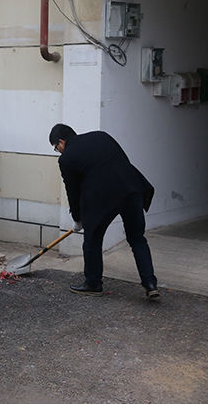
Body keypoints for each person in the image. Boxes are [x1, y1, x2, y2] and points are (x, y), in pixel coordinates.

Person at [49, 123, 160, 300]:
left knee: (92, 240)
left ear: (61, 142)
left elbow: (72, 190)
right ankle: (150, 284)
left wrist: (77, 219)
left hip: (104, 197)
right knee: (137, 238)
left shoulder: (66, 158)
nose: (59, 152)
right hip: (132, 188)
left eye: (56, 148)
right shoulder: (101, 136)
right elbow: (122, 161)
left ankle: (93, 284)